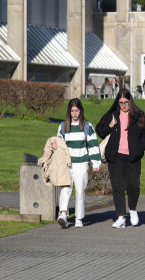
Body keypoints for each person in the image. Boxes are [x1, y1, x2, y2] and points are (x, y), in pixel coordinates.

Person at [96, 88, 145, 228]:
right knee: (117, 187)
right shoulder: (112, 115)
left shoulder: (139, 115)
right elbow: (100, 130)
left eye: (126, 102)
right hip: (115, 157)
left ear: (130, 101)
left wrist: (139, 149)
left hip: (133, 157)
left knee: (133, 186)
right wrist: (110, 126)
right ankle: (121, 217)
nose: (123, 105)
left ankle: (132, 209)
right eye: (121, 103)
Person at [55, 98, 101, 228]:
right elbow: (59, 144)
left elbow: (93, 145)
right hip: (67, 164)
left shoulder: (87, 126)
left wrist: (96, 163)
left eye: (77, 110)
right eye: (72, 111)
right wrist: (54, 145)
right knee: (65, 189)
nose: (74, 113)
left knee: (80, 191)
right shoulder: (63, 126)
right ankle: (63, 214)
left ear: (81, 111)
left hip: (81, 163)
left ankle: (79, 219)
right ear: (69, 112)